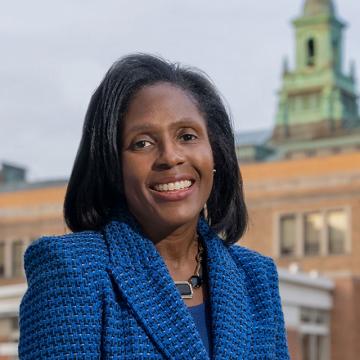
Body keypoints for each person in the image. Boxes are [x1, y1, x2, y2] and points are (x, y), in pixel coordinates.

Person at [18, 54, 289, 359]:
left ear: (216, 154)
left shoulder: (256, 277)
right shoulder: (71, 271)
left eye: (187, 136)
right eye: (142, 143)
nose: (170, 157)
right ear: (113, 166)